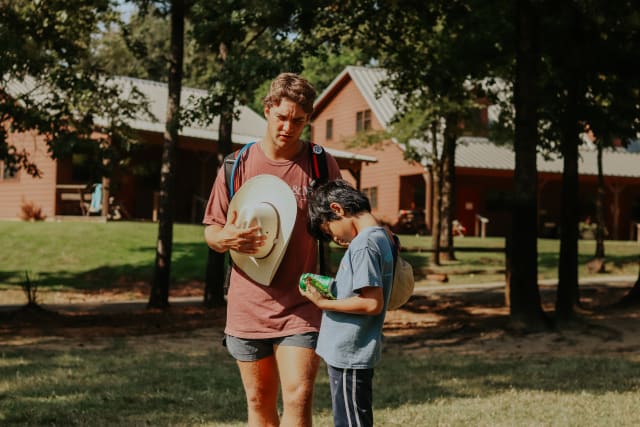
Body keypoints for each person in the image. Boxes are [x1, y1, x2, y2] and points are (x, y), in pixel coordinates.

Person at [202, 72, 341, 427]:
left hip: (302, 302)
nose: (288, 127)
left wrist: (357, 232)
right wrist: (228, 238)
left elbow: (345, 222)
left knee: (298, 397)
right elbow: (212, 234)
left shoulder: (320, 164)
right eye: (282, 117)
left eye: (298, 121)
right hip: (248, 306)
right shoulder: (237, 166)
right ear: (267, 109)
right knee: (259, 402)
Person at [300, 179, 395, 427]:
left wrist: (323, 304)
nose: (334, 239)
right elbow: (359, 290)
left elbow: (371, 303)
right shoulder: (381, 237)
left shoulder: (363, 245)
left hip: (350, 352)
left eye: (329, 230)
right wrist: (329, 287)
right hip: (351, 352)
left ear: (338, 209)